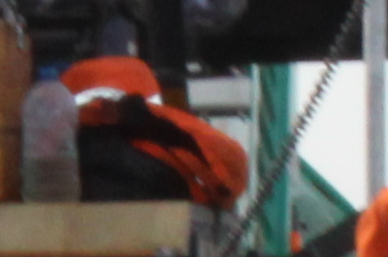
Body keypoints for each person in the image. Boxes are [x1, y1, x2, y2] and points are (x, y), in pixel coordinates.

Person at [61, 53, 251, 210]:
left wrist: (146, 118)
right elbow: (231, 177)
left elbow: (231, 172)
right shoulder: (172, 149)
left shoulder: (167, 142)